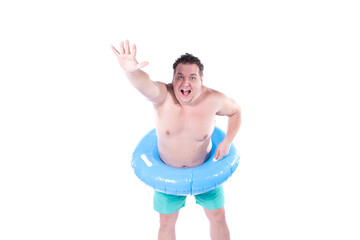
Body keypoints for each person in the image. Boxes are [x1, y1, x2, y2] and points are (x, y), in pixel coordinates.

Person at [111, 40, 241, 240]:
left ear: (201, 80)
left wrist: (227, 142)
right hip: (167, 176)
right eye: (180, 77)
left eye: (192, 77)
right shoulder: (163, 97)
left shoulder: (214, 100)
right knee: (166, 222)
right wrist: (131, 72)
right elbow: (145, 85)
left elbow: (236, 111)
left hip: (206, 171)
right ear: (173, 79)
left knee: (218, 216)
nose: (185, 82)